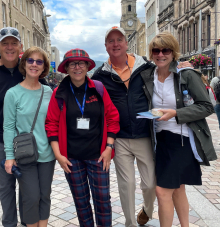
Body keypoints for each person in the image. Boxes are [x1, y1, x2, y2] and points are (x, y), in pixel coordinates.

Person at [92, 26, 192, 226]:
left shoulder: (145, 67)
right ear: (106, 47)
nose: (115, 44)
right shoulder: (100, 75)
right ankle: (130, 223)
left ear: (126, 43)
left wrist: (179, 65)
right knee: (126, 185)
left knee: (150, 184)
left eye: (119, 39)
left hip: (144, 134)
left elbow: (165, 67)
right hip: (119, 138)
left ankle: (147, 209)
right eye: (110, 41)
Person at [0, 27, 47, 227]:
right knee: (6, 186)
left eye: (14, 43)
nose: (10, 47)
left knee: (28, 188)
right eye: (5, 43)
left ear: (20, 46)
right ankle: (10, 223)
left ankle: (27, 222)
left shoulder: (29, 70)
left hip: (28, 143)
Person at [141, 32, 217, 227]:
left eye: (165, 50)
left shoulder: (187, 75)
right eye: (156, 50)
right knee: (178, 189)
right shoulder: (149, 76)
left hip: (181, 140)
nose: (160, 54)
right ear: (151, 53)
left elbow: (206, 106)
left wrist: (176, 113)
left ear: (173, 52)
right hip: (160, 139)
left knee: (162, 191)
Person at [45, 48, 120, 227]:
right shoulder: (59, 92)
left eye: (81, 63)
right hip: (71, 158)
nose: (77, 67)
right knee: (81, 202)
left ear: (87, 67)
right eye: (72, 64)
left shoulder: (98, 89)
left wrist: (109, 148)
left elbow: (112, 117)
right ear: (67, 68)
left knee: (103, 201)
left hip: (99, 155)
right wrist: (58, 155)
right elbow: (51, 124)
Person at [3, 46, 56, 227]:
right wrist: (9, 156)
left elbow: (56, 123)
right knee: (31, 196)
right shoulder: (13, 94)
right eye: (30, 60)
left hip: (47, 154)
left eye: (39, 61)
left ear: (44, 67)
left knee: (44, 195)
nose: (34, 64)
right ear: (24, 64)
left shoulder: (49, 93)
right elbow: (8, 127)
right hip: (25, 154)